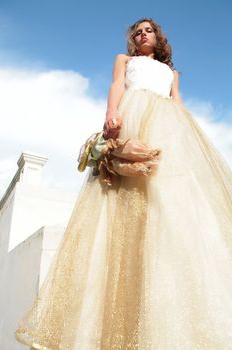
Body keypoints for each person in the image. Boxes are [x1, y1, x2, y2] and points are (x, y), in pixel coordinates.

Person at [15, 17, 232, 349]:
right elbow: (117, 85)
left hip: (166, 122)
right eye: (138, 31)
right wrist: (111, 112)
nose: (142, 34)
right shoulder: (125, 60)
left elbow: (177, 102)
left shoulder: (171, 73)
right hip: (133, 115)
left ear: (159, 37)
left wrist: (188, 134)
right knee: (122, 186)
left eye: (148, 30)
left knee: (167, 194)